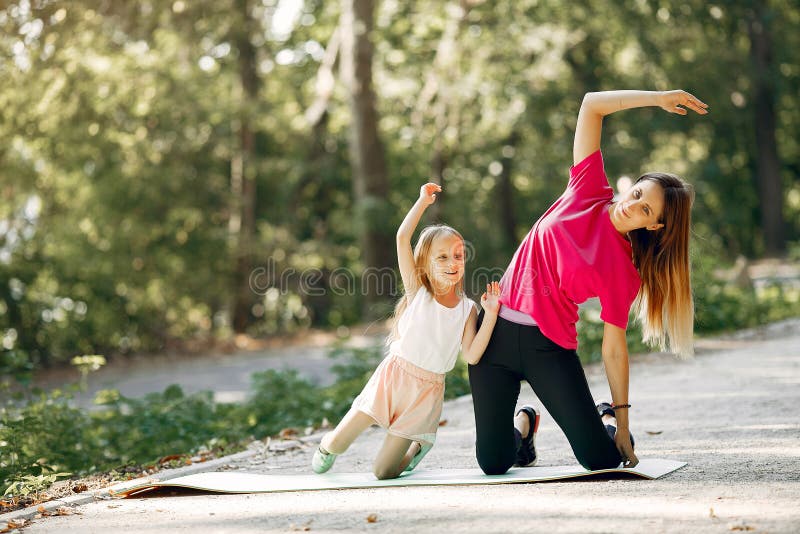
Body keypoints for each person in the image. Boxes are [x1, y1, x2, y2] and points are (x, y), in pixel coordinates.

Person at [469, 89, 708, 475]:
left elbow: (614, 350)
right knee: (493, 463)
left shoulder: (625, 272)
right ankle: (524, 427)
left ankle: (605, 419)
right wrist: (658, 98)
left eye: (645, 209)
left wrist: (624, 425)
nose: (631, 205)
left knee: (600, 460)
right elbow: (591, 104)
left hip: (548, 347)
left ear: (654, 225)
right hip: (494, 332)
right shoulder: (588, 188)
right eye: (637, 193)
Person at [313, 183, 502, 479]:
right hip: (393, 377)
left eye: (458, 256)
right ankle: (326, 447)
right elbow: (402, 237)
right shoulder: (419, 292)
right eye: (442, 257)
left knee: (383, 472)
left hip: (427, 391)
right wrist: (422, 203)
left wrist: (491, 315)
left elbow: (474, 355)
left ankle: (416, 448)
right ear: (424, 263)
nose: (452, 263)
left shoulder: (468, 309)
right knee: (337, 443)